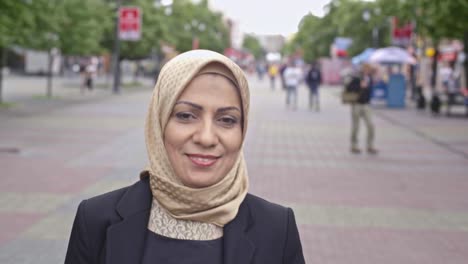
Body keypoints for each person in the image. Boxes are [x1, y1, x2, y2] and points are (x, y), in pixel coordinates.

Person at [65, 50, 305, 264]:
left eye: (227, 120)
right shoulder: (95, 219)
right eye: (186, 116)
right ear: (159, 122)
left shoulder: (276, 228)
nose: (206, 138)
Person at [350, 63, 377, 154]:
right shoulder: (357, 77)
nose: (368, 71)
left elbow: (370, 90)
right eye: (367, 69)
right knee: (356, 127)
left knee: (371, 125)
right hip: (356, 104)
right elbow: (349, 88)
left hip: (366, 104)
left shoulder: (370, 78)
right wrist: (359, 86)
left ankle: (370, 146)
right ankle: (354, 146)